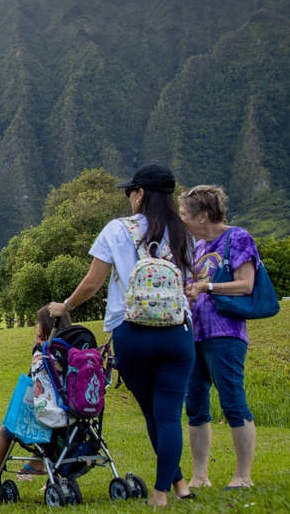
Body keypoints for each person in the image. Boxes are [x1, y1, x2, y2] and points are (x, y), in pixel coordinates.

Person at [48, 163, 195, 507]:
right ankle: (174, 487)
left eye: (131, 191)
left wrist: (64, 306)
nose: (129, 197)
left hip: (132, 333)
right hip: (178, 333)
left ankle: (167, 490)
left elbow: (92, 283)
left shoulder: (117, 230)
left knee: (151, 413)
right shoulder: (184, 232)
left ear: (140, 194)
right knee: (170, 414)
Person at [179, 185, 258, 490]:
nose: (181, 219)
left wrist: (206, 287)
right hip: (194, 334)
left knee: (232, 400)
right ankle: (200, 476)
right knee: (195, 404)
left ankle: (243, 475)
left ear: (203, 216)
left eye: (185, 213)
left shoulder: (237, 238)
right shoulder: (196, 246)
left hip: (225, 333)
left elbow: (246, 284)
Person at [0, 305, 71, 504]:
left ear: (46, 328)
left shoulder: (43, 351)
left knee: (6, 431)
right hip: (71, 413)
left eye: (38, 325)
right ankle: (43, 466)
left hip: (46, 412)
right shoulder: (72, 350)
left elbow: (34, 384)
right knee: (54, 434)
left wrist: (38, 346)